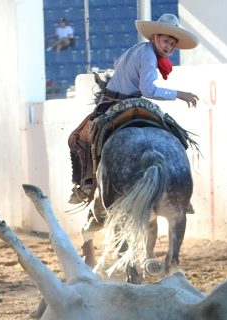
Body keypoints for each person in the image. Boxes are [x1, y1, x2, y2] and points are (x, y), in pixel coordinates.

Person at [67, 13, 199, 204]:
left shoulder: (139, 49)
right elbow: (149, 90)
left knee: (78, 138)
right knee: (174, 130)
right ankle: (179, 185)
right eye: (165, 41)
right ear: (154, 38)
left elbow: (117, 64)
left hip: (112, 101)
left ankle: (86, 183)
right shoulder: (149, 57)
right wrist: (179, 94)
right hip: (133, 100)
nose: (168, 47)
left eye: (172, 44)